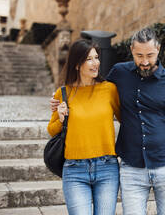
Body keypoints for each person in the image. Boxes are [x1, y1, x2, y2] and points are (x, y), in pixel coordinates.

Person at [51, 28, 165, 214]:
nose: (145, 62)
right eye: (139, 55)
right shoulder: (119, 74)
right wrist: (59, 105)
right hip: (131, 168)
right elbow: (94, 91)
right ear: (131, 50)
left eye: (150, 55)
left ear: (158, 50)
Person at [47, 39, 121, 215]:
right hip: (74, 170)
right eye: (89, 59)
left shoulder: (110, 90)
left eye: (96, 57)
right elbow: (52, 130)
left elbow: (127, 119)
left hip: (107, 168)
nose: (95, 63)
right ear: (77, 64)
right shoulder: (63, 93)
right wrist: (60, 117)